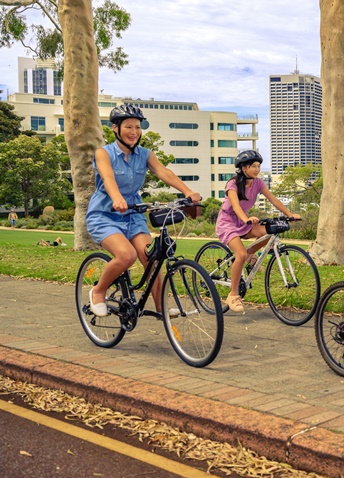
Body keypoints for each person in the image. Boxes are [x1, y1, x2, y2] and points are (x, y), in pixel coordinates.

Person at [86, 104, 201, 318]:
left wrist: (187, 191)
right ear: (115, 128)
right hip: (105, 215)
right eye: (128, 126)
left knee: (152, 258)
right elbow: (108, 178)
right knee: (126, 255)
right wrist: (117, 197)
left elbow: (163, 172)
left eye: (137, 127)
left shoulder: (145, 154)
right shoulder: (104, 153)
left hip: (133, 214)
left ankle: (161, 307)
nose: (134, 132)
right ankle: (98, 291)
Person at [215, 149, 300, 314]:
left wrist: (289, 215)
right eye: (253, 166)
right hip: (228, 223)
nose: (257, 169)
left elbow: (273, 199)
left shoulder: (259, 183)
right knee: (239, 255)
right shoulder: (232, 184)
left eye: (258, 166)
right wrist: (246, 218)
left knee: (268, 232)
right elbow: (235, 206)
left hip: (244, 220)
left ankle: (249, 254)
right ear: (243, 168)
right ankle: (233, 295)